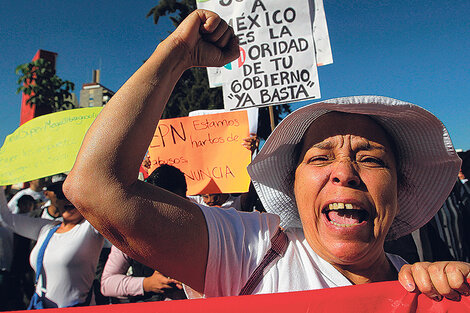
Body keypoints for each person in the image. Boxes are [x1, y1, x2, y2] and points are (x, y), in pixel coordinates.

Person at [64, 10, 470, 302]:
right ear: (293, 185)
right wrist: (175, 56)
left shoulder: (429, 289)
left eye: (371, 158)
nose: (344, 172)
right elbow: (94, 187)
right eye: (319, 158)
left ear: (401, 186)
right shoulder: (250, 250)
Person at [0, 180, 104, 308]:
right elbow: (6, 218)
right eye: (61, 194)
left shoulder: (91, 228)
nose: (68, 199)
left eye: (74, 195)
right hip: (39, 307)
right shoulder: (47, 228)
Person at [101, 164, 187, 302]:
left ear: (186, 201)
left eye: (173, 207)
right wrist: (146, 284)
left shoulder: (201, 230)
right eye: (159, 207)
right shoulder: (130, 232)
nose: (165, 214)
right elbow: (107, 283)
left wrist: (191, 284)